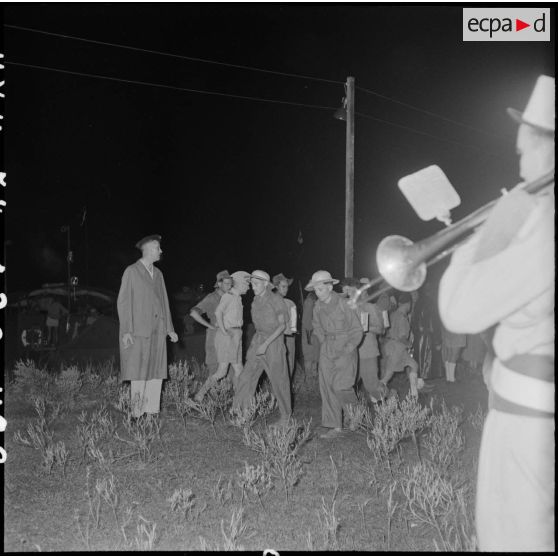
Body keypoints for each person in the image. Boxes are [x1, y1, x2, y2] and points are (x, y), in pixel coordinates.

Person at [438, 75, 554, 552]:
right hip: (525, 400)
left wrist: (483, 240)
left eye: (522, 152)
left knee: (515, 538)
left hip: (529, 413)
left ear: (548, 151)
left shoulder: (543, 223)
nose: (520, 164)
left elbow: (458, 309)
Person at [117, 234, 178, 417]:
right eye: (158, 248)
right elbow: (123, 302)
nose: (161, 251)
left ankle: (151, 413)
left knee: (156, 373)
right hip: (138, 332)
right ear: (149, 249)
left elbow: (164, 302)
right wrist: (127, 330)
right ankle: (136, 415)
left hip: (158, 333)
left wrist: (170, 328)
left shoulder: (158, 274)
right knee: (138, 373)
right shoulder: (132, 271)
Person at [233, 270, 292, 424]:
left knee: (279, 380)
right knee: (247, 376)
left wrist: (266, 344)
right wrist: (259, 343)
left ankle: (285, 417)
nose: (253, 286)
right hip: (258, 340)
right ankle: (242, 413)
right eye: (252, 283)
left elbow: (282, 326)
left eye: (256, 283)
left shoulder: (276, 300)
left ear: (266, 284)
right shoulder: (254, 301)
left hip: (274, 343)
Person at [309, 271, 363, 438]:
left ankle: (356, 416)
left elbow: (357, 329)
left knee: (342, 385)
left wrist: (349, 347)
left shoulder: (344, 304)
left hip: (345, 347)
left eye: (320, 289)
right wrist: (324, 342)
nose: (317, 293)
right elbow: (316, 326)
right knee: (327, 387)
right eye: (315, 290)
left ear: (330, 286)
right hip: (327, 348)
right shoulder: (317, 306)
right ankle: (335, 426)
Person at [195, 271, 250, 401]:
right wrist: (224, 331)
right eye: (247, 284)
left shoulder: (237, 297)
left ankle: (240, 399)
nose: (248, 287)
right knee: (223, 371)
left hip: (236, 334)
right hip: (229, 335)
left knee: (238, 369)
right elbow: (218, 312)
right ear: (240, 283)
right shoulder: (229, 296)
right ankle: (200, 395)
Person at [346, 278, 388, 403]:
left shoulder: (370, 307)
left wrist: (366, 326)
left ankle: (390, 398)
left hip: (367, 351)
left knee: (371, 385)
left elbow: (381, 330)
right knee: (349, 383)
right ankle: (353, 416)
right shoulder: (347, 308)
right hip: (351, 352)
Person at [189, 270, 233, 375]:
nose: (230, 286)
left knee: (231, 373)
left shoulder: (230, 297)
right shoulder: (211, 298)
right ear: (219, 284)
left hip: (229, 337)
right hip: (215, 339)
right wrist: (211, 326)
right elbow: (193, 313)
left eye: (231, 284)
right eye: (227, 284)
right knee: (214, 372)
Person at [381, 292, 420, 397]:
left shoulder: (393, 314)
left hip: (394, 347)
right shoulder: (402, 318)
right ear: (408, 304)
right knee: (388, 375)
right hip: (397, 349)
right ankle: (375, 397)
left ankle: (414, 394)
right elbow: (402, 338)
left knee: (414, 365)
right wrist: (409, 345)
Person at [273, 273, 297, 378]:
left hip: (289, 338)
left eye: (287, 287)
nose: (286, 289)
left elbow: (294, 326)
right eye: (283, 286)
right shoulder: (271, 302)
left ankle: (284, 391)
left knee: (289, 365)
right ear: (276, 286)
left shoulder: (290, 303)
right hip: (276, 338)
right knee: (278, 366)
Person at [301, 290, 320, 377]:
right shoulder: (309, 301)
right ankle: (309, 377)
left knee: (315, 356)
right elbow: (307, 320)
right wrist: (309, 337)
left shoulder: (314, 301)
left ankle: (314, 377)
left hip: (314, 333)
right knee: (309, 356)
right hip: (309, 333)